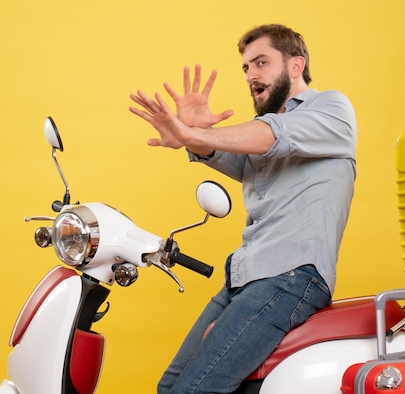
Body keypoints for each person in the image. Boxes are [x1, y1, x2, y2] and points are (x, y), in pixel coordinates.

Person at [129, 24, 357, 394]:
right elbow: (238, 159)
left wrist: (194, 136)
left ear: (296, 66)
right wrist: (197, 136)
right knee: (170, 387)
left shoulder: (330, 109)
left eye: (261, 62)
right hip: (244, 276)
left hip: (291, 275)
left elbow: (273, 135)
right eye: (247, 67)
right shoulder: (259, 133)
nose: (251, 75)